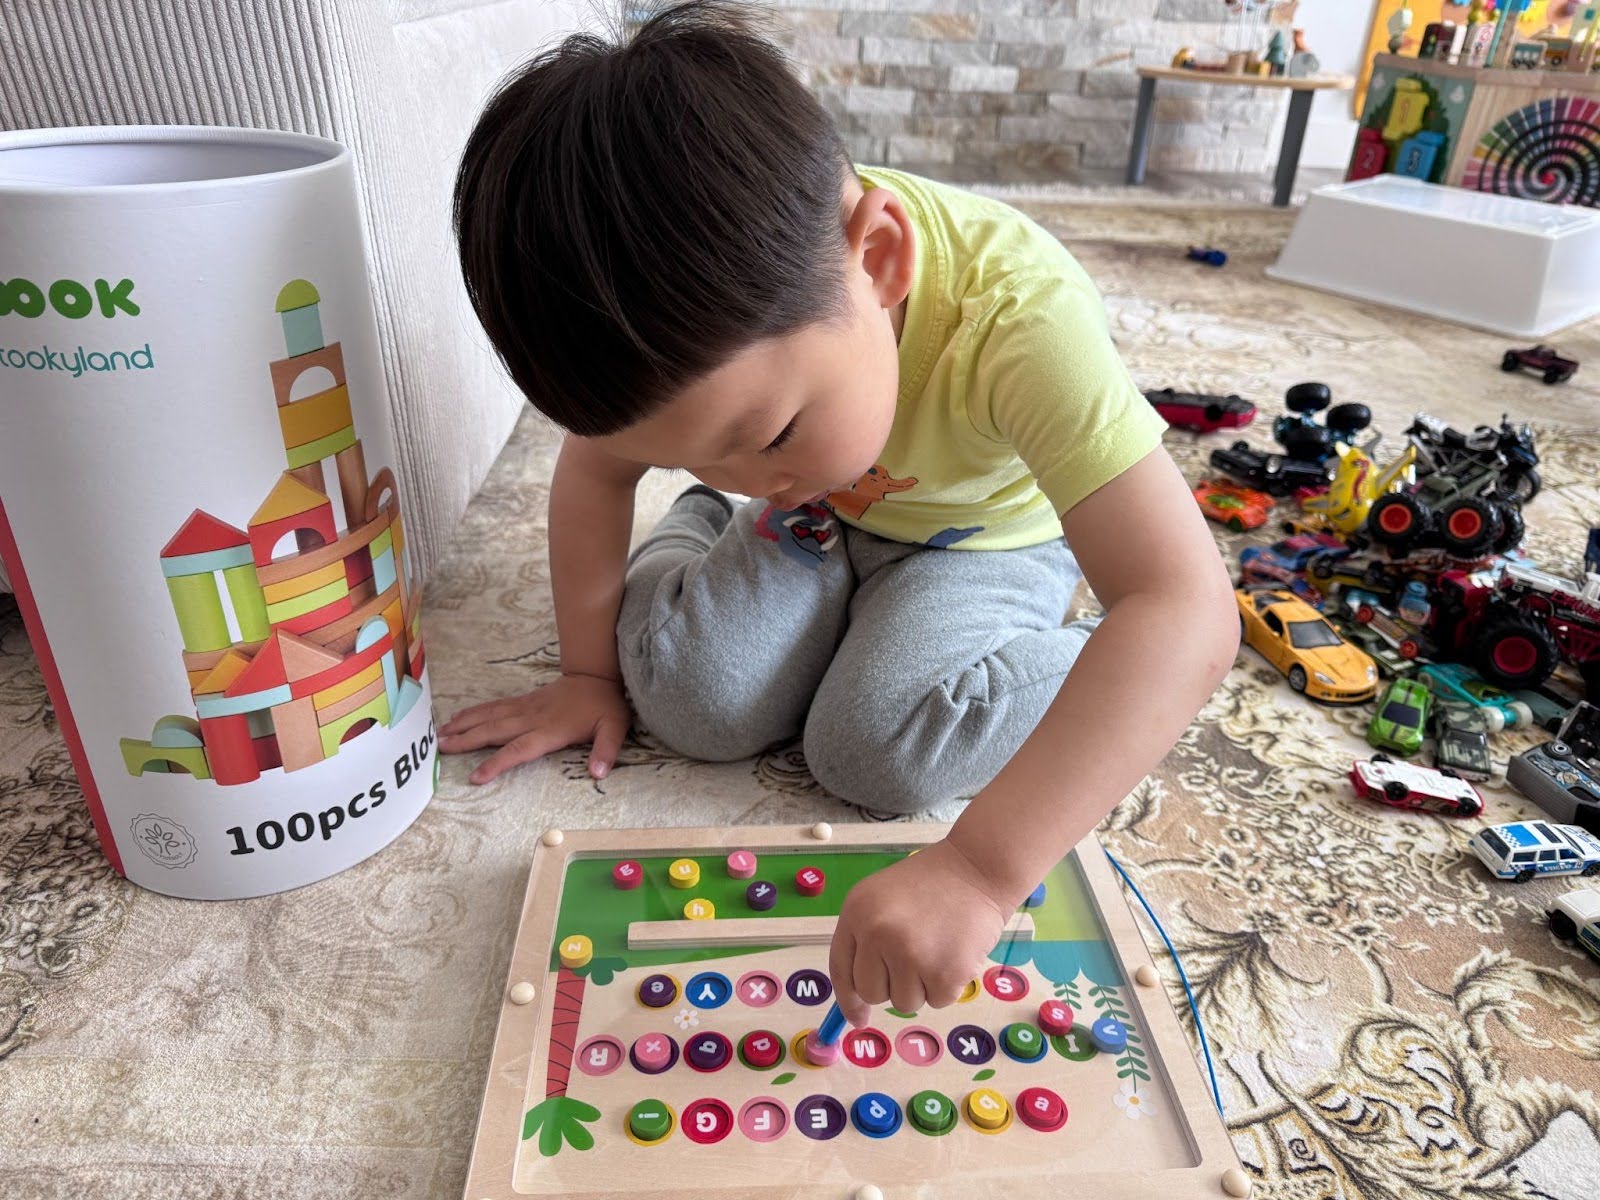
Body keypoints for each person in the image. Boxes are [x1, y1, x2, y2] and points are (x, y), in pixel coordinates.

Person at [440, 1, 1237, 1027]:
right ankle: (698, 521)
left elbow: (1184, 605)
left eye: (764, 434)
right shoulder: (707, 368)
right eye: (688, 456)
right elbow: (594, 475)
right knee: (690, 703)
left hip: (982, 539)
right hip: (820, 519)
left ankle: (1071, 650)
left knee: (874, 754)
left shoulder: (1023, 316)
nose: (740, 472)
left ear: (882, 260)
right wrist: (587, 674)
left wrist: (983, 870)